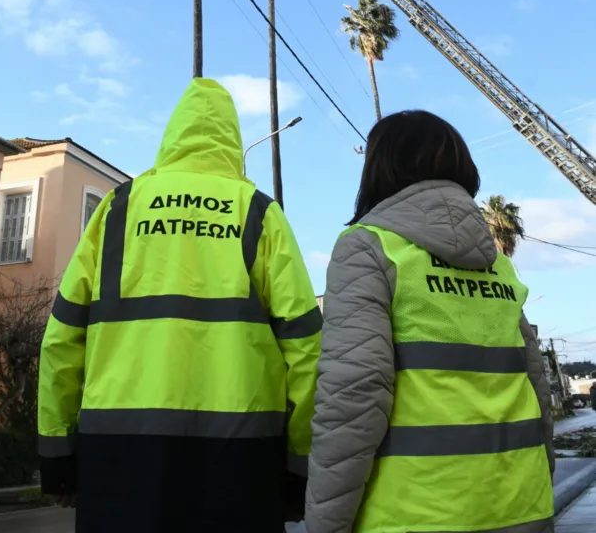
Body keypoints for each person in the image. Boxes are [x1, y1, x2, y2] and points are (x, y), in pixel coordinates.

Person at [38, 78, 322, 532]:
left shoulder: (118, 208)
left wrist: (57, 458)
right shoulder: (258, 213)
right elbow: (306, 351)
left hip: (117, 460)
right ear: (230, 136)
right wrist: (298, 471)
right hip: (242, 464)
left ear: (173, 134)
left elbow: (62, 339)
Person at [306, 109, 554, 533]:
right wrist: (542, 476)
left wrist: (327, 523)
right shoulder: (498, 267)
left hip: (413, 509)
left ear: (379, 169)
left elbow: (354, 393)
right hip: (522, 503)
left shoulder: (368, 248)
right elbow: (537, 386)